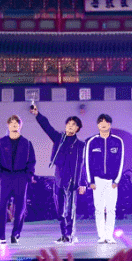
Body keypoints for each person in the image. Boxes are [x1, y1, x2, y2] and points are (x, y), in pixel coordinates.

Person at [30, 103, 85, 244]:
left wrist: (82, 183)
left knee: (69, 210)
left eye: (73, 125)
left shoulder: (80, 145)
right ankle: (63, 235)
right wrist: (37, 115)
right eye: (68, 124)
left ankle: (70, 235)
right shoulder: (59, 139)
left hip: (72, 179)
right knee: (59, 209)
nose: (70, 126)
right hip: (59, 176)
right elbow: (47, 127)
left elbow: (82, 165)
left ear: (77, 128)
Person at [0, 114, 36, 245]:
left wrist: (28, 176)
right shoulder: (1, 142)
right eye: (11, 123)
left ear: (20, 126)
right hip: (6, 177)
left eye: (16, 123)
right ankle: (1, 236)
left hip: (21, 177)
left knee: (20, 208)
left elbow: (31, 161)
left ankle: (15, 234)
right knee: (2, 207)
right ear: (8, 125)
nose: (14, 125)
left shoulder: (26, 143)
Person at [83, 113, 125, 244]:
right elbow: (87, 162)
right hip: (97, 181)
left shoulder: (118, 141)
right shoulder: (92, 142)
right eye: (100, 122)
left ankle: (109, 236)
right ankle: (101, 236)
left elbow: (121, 161)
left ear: (110, 124)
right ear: (97, 125)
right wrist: (90, 181)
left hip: (112, 181)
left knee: (111, 209)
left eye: (106, 122)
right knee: (99, 209)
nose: (103, 124)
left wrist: (117, 180)